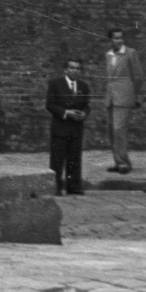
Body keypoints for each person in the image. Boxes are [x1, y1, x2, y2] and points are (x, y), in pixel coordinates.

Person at [103, 29, 146, 174]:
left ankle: (123, 163)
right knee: (111, 131)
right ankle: (118, 161)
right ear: (110, 40)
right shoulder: (108, 55)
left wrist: (135, 95)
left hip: (124, 97)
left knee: (118, 129)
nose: (119, 40)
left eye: (121, 38)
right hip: (111, 98)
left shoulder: (130, 53)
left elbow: (138, 75)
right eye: (115, 38)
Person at [46, 57, 90, 195]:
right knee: (57, 159)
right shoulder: (55, 84)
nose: (75, 71)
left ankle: (74, 186)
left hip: (76, 128)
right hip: (60, 127)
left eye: (77, 68)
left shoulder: (83, 86)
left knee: (74, 158)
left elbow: (86, 105)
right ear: (65, 69)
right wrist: (66, 112)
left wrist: (84, 114)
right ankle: (57, 187)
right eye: (72, 68)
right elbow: (50, 105)